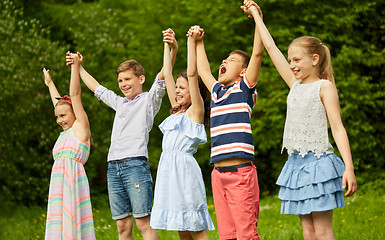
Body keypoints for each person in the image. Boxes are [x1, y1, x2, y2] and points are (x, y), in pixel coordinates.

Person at [245, 0, 358, 239]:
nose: (291, 65)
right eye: (290, 60)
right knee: (307, 230)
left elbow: (338, 129)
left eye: (297, 60)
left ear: (314, 59)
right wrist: (257, 15)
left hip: (319, 164)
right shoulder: (294, 85)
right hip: (296, 164)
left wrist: (349, 167)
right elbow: (271, 48)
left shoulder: (324, 87)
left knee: (323, 230)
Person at [65, 39, 177, 240]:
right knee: (122, 226)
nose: (123, 84)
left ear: (141, 79)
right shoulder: (120, 103)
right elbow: (97, 88)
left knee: (143, 223)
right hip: (113, 167)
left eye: (127, 79)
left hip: (135, 165)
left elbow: (164, 73)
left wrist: (171, 47)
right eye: (120, 81)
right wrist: (78, 66)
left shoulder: (149, 101)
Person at [191, 2, 264, 239]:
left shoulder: (244, 89)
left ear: (244, 71)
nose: (224, 61)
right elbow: (202, 70)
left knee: (246, 234)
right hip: (218, 175)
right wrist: (199, 42)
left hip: (241, 173)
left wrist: (256, 19)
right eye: (224, 59)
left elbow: (257, 53)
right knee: (227, 235)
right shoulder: (216, 92)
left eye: (231, 60)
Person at [149, 28, 215, 240]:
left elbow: (193, 74)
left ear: (193, 92)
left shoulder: (195, 111)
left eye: (182, 88)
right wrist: (169, 45)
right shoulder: (175, 110)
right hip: (168, 170)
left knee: (193, 224)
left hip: (184, 171)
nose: (177, 91)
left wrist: (189, 43)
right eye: (176, 88)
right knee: (180, 224)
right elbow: (166, 74)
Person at [43, 52, 95, 239]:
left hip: (73, 181)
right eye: (57, 117)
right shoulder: (64, 134)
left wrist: (75, 67)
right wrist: (50, 83)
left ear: (75, 112)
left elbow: (75, 95)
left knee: (73, 220)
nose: (59, 120)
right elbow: (59, 104)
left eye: (63, 116)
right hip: (58, 184)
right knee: (59, 222)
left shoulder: (80, 129)